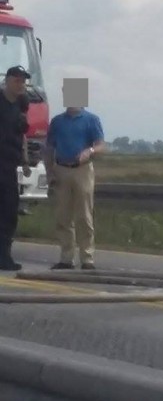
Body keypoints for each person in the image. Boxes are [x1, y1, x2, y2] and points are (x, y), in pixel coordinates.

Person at [44, 90, 106, 270]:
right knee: (63, 216)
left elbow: (101, 145)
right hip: (61, 168)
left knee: (84, 215)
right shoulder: (57, 121)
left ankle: (87, 257)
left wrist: (90, 151)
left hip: (83, 170)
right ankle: (66, 257)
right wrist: (49, 172)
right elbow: (49, 148)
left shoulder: (91, 120)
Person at [0, 66, 32, 270]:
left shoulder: (22, 103)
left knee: (9, 211)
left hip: (9, 164)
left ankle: (4, 256)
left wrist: (26, 159)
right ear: (8, 81)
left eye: (23, 81)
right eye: (18, 81)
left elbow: (23, 135)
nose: (21, 85)